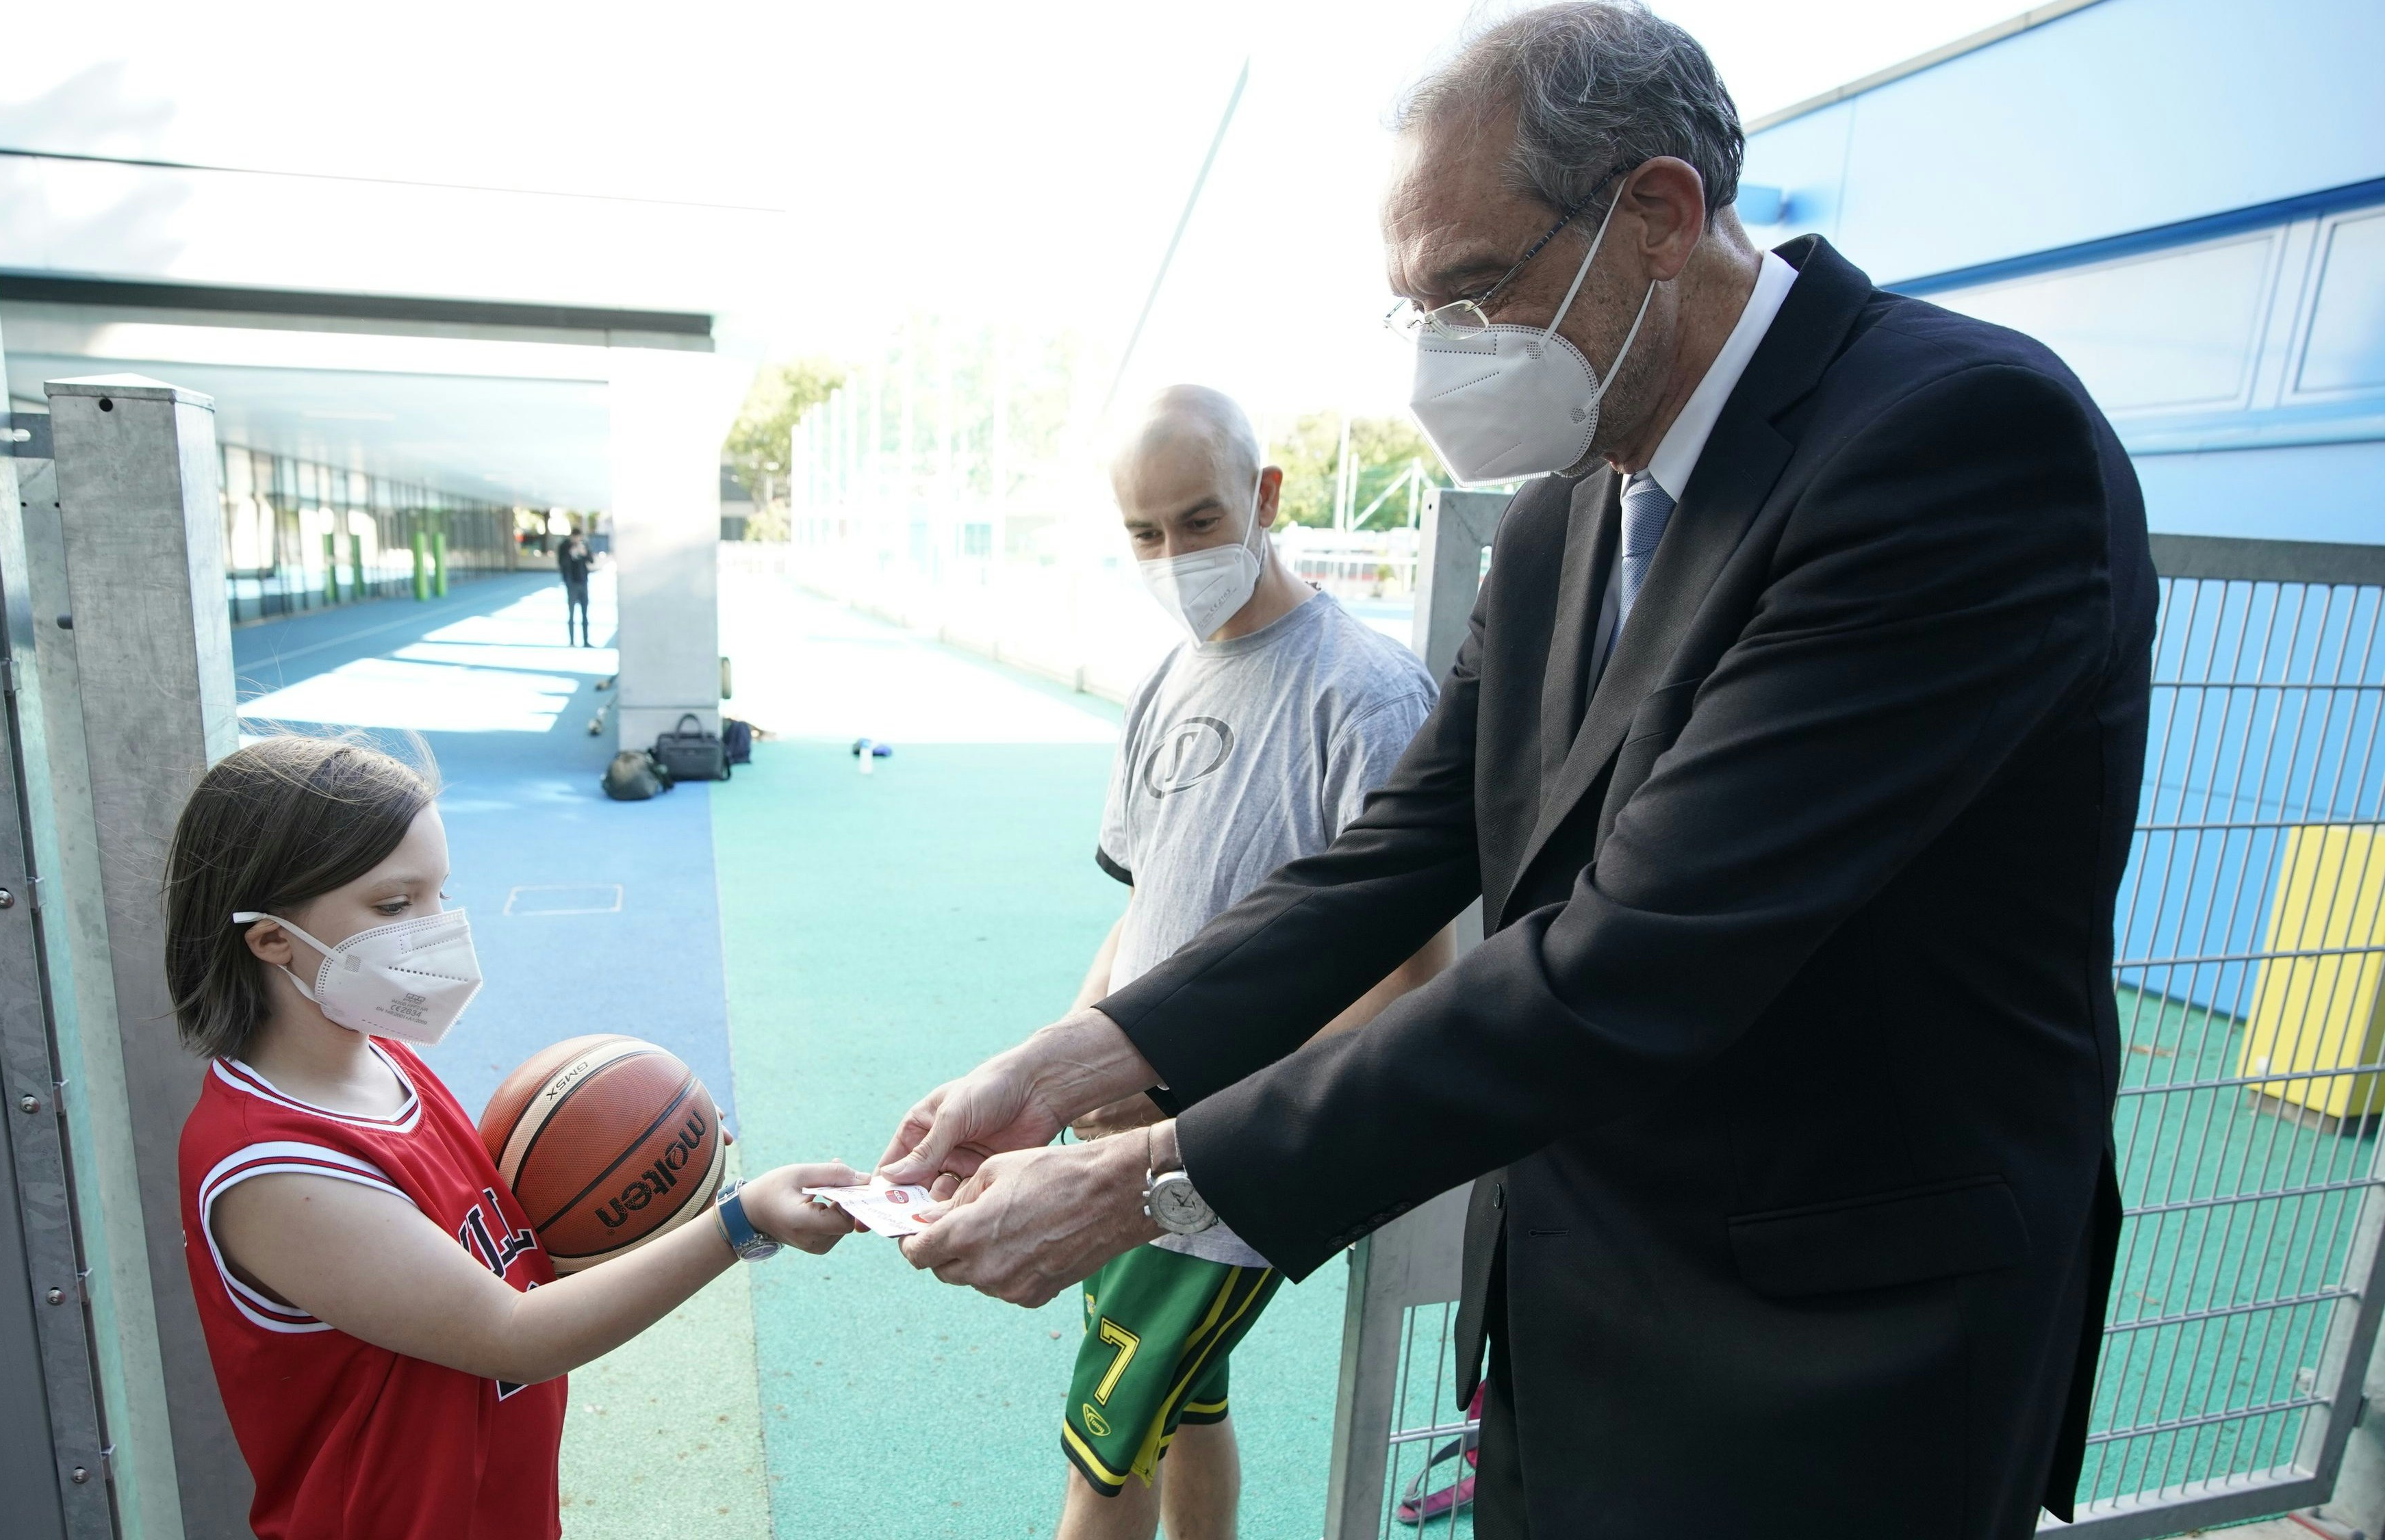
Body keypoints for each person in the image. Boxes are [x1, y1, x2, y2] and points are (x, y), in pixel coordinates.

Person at [880, 5, 2156, 1536]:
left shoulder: (1950, 444)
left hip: (1834, 1352)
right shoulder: (1565, 514)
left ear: (1658, 216)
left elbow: (1636, 956)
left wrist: (1141, 1179)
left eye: (1471, 290)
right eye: (1410, 307)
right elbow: (1395, 853)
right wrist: (1071, 1061)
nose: (1438, 353)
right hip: (1569, 1301)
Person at [164, 734, 858, 1540]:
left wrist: (652, 1184)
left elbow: (515, 1257)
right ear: (272, 940)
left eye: (439, 894)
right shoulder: (274, 1169)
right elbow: (511, 1335)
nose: (439, 928)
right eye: (395, 907)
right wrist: (739, 1222)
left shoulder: (383, 1063)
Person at [1053, 386, 1450, 1540]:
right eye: (1145, 532)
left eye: (1200, 519)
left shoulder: (1366, 695)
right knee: (1182, 1411)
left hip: (1229, 1160)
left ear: (1267, 497)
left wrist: (1180, 1100)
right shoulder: (1166, 681)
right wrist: (1067, 1065)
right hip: (1132, 1133)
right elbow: (1143, 911)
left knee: (1103, 1447)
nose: (1174, 555)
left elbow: (1412, 977)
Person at [557, 528, 595, 646]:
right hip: (572, 583)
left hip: (583, 582)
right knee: (572, 613)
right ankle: (572, 641)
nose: (577, 540)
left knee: (585, 614)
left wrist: (584, 553)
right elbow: (561, 563)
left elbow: (591, 560)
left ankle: (586, 640)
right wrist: (570, 553)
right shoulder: (564, 547)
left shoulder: (584, 545)